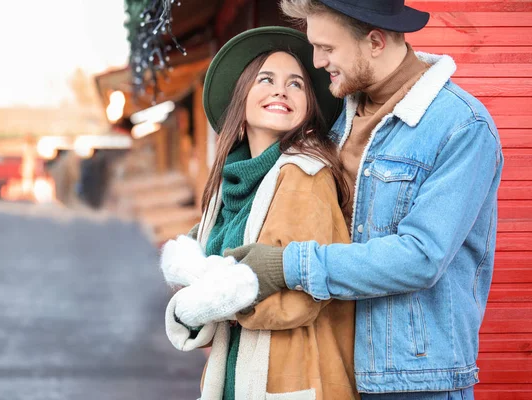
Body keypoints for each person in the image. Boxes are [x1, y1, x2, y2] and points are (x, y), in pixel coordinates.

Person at [224, 1, 504, 399]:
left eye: (328, 48)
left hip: (414, 382)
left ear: (374, 41)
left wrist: (289, 266)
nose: (317, 62)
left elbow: (421, 257)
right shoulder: (341, 113)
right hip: (336, 367)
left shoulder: (461, 127)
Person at [160, 27, 360, 399]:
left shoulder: (305, 174)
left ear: (309, 107)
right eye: (266, 79)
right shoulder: (230, 185)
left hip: (293, 378)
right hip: (237, 376)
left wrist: (211, 299)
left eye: (296, 84)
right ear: (242, 98)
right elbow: (207, 262)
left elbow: (300, 297)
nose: (281, 90)